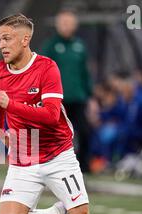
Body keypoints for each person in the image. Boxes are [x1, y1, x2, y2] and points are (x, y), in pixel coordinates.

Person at [0, 13, 122, 214]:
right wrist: (0, 129)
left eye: (7, 38)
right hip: (23, 158)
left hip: (57, 155)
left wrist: (10, 105)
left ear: (25, 39)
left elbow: (50, 116)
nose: (2, 44)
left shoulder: (47, 68)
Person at [41, 10, 93, 172]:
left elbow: (85, 73)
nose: (66, 26)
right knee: (53, 134)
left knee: (84, 131)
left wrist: (90, 96)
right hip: (57, 100)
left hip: (78, 98)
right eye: (63, 22)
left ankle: (83, 166)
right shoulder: (50, 46)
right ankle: (49, 165)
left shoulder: (80, 46)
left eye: (69, 22)